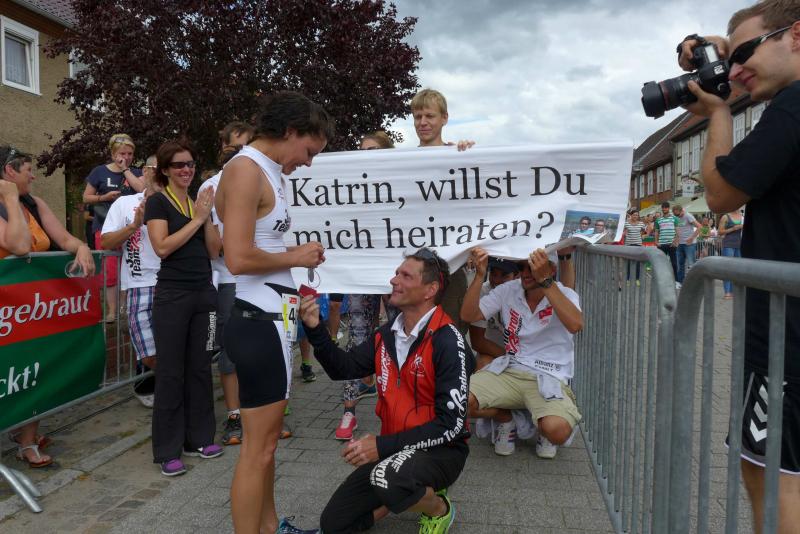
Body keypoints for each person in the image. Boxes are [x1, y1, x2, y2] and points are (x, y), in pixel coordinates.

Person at [678, 2, 800, 530]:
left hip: (787, 337)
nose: (735, 70)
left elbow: (722, 192)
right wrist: (718, 46)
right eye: (730, 59)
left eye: (745, 53)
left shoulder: (792, 105)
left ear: (796, 35)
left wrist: (720, 114)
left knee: (771, 474)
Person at [216, 91, 331, 534]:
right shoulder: (245, 170)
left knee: (266, 448)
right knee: (257, 450)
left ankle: (269, 527)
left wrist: (293, 257)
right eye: (309, 151)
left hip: (271, 320)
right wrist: (295, 256)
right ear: (290, 131)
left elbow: (257, 247)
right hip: (256, 321)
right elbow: (237, 257)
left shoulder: (268, 171)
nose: (308, 162)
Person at [299, 247, 473, 534]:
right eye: (396, 274)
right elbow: (343, 368)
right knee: (334, 524)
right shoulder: (387, 333)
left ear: (430, 290)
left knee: (388, 477)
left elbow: (451, 426)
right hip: (396, 450)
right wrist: (316, 329)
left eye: (405, 276)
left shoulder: (448, 341)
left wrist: (380, 446)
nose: (394, 280)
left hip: (441, 451)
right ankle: (402, 494)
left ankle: (438, 508)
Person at [0, 145, 96, 468]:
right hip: (6, 312)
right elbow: (20, 245)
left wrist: (81, 247)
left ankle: (26, 440)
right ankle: (15, 427)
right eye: (28, 170)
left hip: (31, 308)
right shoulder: (10, 203)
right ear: (9, 172)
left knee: (34, 368)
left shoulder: (34, 203)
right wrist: (9, 199)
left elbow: (64, 238)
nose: (34, 177)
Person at [144, 140, 222, 477]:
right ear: (165, 170)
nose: (186, 169)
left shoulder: (197, 203)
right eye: (179, 165)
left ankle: (199, 439)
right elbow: (162, 247)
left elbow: (215, 251)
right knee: (171, 373)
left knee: (201, 369)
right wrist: (198, 218)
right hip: (173, 295)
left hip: (203, 293)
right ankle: (167, 451)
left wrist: (207, 218)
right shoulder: (158, 202)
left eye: (190, 164)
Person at [462, 247, 583, 459]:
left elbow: (575, 325)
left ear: (551, 269)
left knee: (557, 430)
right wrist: (479, 275)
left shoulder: (565, 293)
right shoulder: (508, 289)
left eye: (533, 267)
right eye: (521, 267)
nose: (526, 273)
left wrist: (546, 282)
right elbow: (468, 315)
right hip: (511, 368)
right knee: (457, 400)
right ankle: (506, 419)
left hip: (548, 375)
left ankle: (542, 425)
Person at [333, 132, 396, 441]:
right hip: (360, 274)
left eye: (373, 149)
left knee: (401, 338)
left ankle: (397, 408)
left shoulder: (400, 183)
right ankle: (349, 411)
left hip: (395, 273)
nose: (366, 154)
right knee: (357, 340)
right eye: (362, 150)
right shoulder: (350, 187)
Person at [198, 126, 257, 448]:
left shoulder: (265, 179)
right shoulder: (210, 186)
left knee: (263, 347)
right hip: (229, 280)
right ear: (223, 148)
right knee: (231, 350)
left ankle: (261, 411)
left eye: (248, 146)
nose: (243, 152)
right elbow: (213, 248)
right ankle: (234, 415)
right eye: (237, 147)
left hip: (263, 276)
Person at [410, 89, 474, 336]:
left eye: (430, 116)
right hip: (413, 268)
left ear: (445, 118)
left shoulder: (458, 156)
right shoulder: (402, 161)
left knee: (450, 336)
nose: (423, 122)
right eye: (418, 117)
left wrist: (471, 155)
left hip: (451, 269)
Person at [101, 155, 161, 408]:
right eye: (156, 168)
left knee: (171, 344)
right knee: (147, 351)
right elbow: (105, 241)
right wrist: (133, 226)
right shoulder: (125, 203)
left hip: (173, 284)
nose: (161, 173)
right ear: (145, 171)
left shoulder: (180, 203)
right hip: (139, 285)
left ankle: (167, 389)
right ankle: (151, 384)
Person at [83, 133, 145, 322]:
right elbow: (86, 197)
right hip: (105, 226)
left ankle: (125, 308)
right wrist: (103, 197)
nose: (126, 157)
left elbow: (142, 189)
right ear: (112, 154)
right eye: (122, 153)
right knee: (110, 269)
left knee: (130, 266)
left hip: (132, 228)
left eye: (130, 154)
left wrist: (125, 169)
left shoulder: (136, 172)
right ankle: (112, 311)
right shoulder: (99, 172)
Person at [469, 257, 520, 370]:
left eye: (504, 275)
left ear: (517, 276)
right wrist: (511, 359)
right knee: (483, 363)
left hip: (525, 355)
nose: (496, 280)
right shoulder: (483, 291)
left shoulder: (526, 292)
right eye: (493, 273)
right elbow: (477, 342)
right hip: (494, 352)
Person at [672, 204, 702, 286]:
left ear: (682, 210)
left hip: (689, 244)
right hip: (680, 244)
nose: (677, 216)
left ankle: (694, 282)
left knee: (691, 263)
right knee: (680, 264)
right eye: (675, 215)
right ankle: (680, 282)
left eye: (678, 214)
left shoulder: (688, 216)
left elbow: (699, 227)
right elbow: (678, 230)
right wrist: (675, 239)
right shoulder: (676, 217)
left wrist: (692, 238)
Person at [718, 208, 744, 299]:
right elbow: (720, 232)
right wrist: (733, 228)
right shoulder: (726, 217)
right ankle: (727, 292)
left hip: (740, 245)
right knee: (727, 267)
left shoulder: (742, 216)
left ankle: (733, 291)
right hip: (728, 244)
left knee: (737, 269)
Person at [653, 202, 679, 280]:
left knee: (674, 264)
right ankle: (662, 279)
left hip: (671, 244)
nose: (664, 209)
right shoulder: (658, 220)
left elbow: (677, 231)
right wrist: (656, 242)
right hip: (662, 244)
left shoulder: (675, 219)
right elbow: (656, 232)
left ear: (668, 208)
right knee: (661, 263)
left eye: (666, 207)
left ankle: (676, 280)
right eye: (663, 207)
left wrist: (675, 241)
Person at [623, 209, 647, 282]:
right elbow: (622, 232)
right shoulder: (626, 223)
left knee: (638, 262)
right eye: (634, 215)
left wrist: (643, 235)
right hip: (628, 244)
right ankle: (627, 278)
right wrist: (624, 234)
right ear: (631, 215)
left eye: (637, 215)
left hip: (638, 244)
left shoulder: (641, 224)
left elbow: (645, 232)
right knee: (628, 261)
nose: (635, 216)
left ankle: (637, 279)